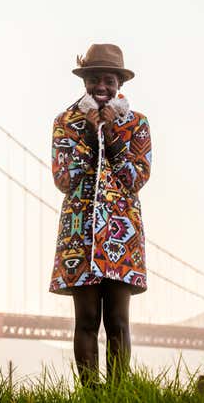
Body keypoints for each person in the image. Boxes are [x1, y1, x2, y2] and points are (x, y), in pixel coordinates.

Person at [49, 43, 152, 386]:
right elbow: (64, 178)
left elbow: (136, 178)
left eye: (109, 80)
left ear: (120, 83)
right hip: (79, 235)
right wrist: (92, 136)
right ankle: (91, 393)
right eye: (95, 79)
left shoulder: (137, 124)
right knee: (87, 319)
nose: (102, 87)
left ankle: (119, 393)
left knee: (119, 322)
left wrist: (112, 136)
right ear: (85, 82)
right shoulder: (65, 123)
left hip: (121, 236)